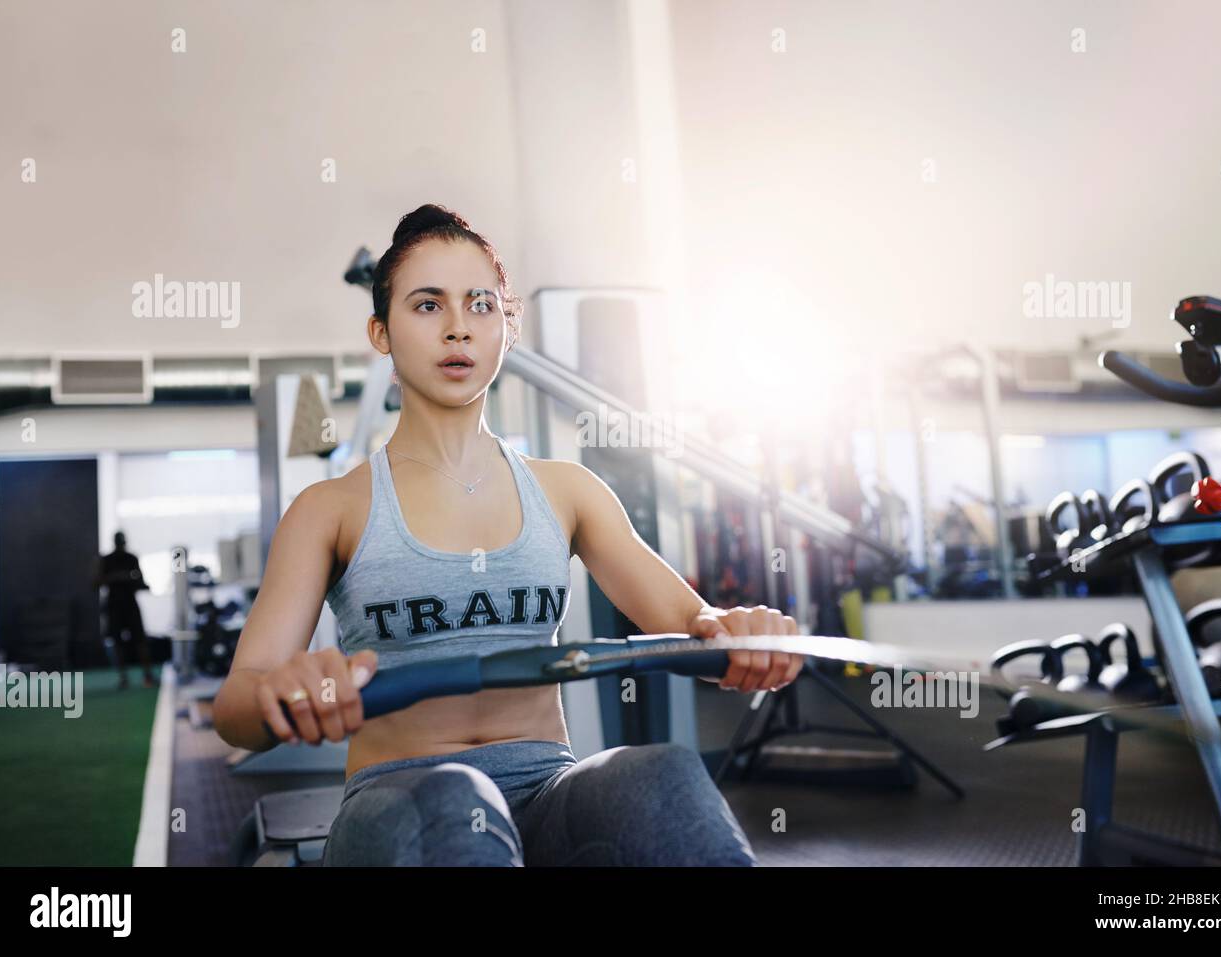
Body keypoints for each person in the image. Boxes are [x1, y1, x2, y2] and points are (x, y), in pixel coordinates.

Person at [212, 204, 806, 866]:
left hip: (546, 790)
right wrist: (281, 692)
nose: (460, 328)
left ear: (509, 326)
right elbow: (236, 707)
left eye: (481, 305)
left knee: (658, 777)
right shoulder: (330, 508)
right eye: (428, 306)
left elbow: (698, 625)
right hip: (402, 801)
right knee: (453, 803)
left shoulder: (568, 491)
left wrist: (745, 634)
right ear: (380, 332)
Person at [94, 531, 157, 690]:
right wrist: (115, 578)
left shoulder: (131, 558)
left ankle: (147, 674)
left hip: (130, 604)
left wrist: (130, 579)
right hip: (114, 606)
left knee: (140, 640)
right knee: (117, 642)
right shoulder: (106, 560)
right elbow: (95, 582)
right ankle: (123, 677)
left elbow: (141, 581)